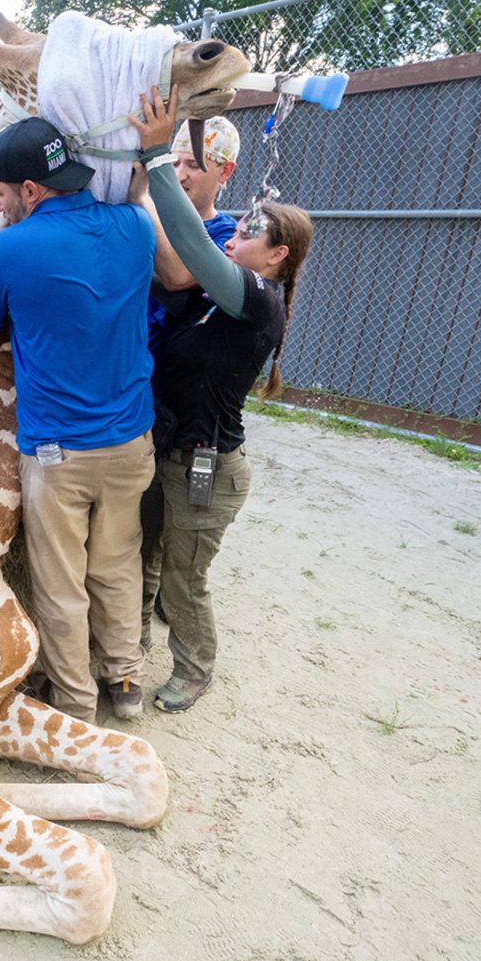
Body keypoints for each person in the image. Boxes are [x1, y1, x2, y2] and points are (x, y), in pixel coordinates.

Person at [0, 116, 157, 722]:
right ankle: (124, 679)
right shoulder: (133, 226)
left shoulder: (8, 246)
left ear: (29, 190)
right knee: (118, 562)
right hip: (132, 442)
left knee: (60, 580)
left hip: (58, 450)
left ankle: (75, 703)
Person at [132, 87, 314, 713]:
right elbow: (173, 271)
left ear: (279, 255)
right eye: (237, 225)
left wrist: (157, 160)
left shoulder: (259, 300)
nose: (237, 233)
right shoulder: (214, 299)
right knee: (146, 557)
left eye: (251, 231)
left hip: (206, 466)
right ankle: (132, 647)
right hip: (166, 448)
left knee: (184, 578)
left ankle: (195, 668)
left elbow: (195, 256)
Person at [136, 116, 241, 649]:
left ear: (226, 170)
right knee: (141, 531)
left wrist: (147, 184)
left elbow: (178, 279)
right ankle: (136, 633)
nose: (179, 173)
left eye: (193, 165)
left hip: (188, 417)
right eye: (173, 161)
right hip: (142, 400)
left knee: (174, 549)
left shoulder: (229, 240)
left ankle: (184, 652)